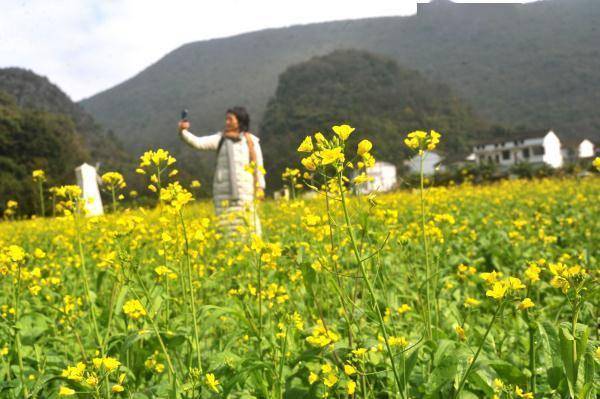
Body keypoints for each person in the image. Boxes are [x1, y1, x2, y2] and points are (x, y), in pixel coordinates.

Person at [178, 106, 265, 236]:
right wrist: (183, 132)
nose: (227, 122)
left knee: (248, 224)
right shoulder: (220, 138)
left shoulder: (252, 141)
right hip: (223, 191)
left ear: (240, 121)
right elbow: (197, 142)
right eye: (226, 119)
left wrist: (260, 187)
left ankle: (251, 252)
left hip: (246, 190)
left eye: (230, 119)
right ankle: (228, 253)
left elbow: (258, 166)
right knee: (225, 225)